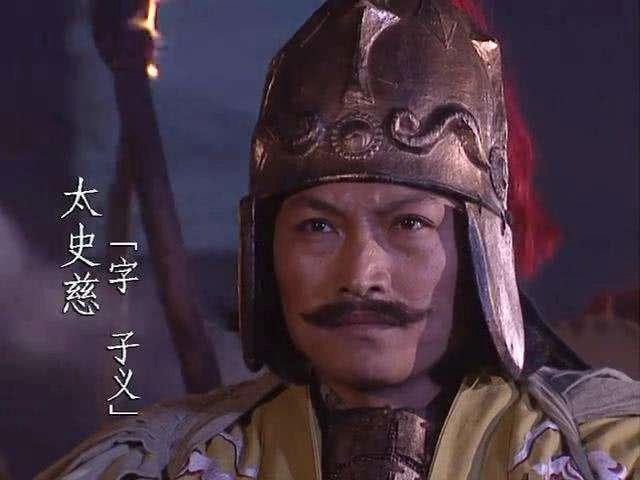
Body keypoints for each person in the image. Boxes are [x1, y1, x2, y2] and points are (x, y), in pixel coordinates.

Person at [37, 0, 639, 479]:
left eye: (409, 224)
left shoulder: (611, 454)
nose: (360, 275)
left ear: (480, 245)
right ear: (265, 247)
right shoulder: (143, 466)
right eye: (317, 226)